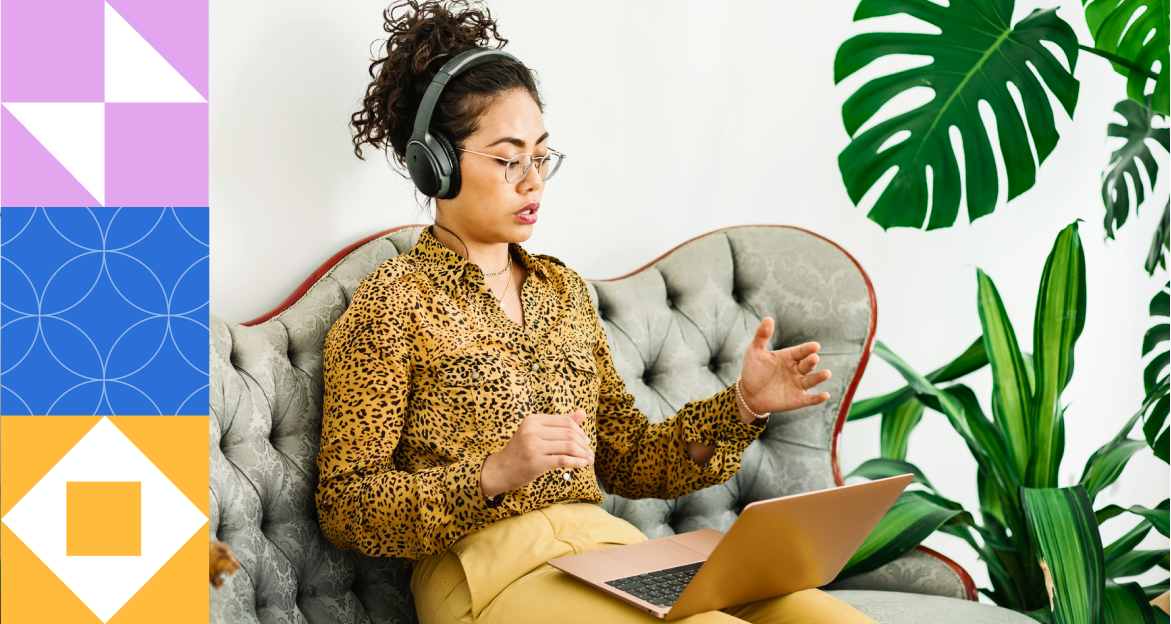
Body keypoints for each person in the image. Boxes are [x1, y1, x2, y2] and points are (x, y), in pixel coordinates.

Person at [316, 2, 876, 623]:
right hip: (488, 575)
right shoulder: (391, 306)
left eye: (542, 155)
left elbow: (630, 456)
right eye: (508, 159)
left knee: (830, 619)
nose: (534, 181)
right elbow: (347, 507)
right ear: (438, 165)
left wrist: (742, 406)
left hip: (608, 552)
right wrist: (493, 472)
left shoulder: (564, 294)